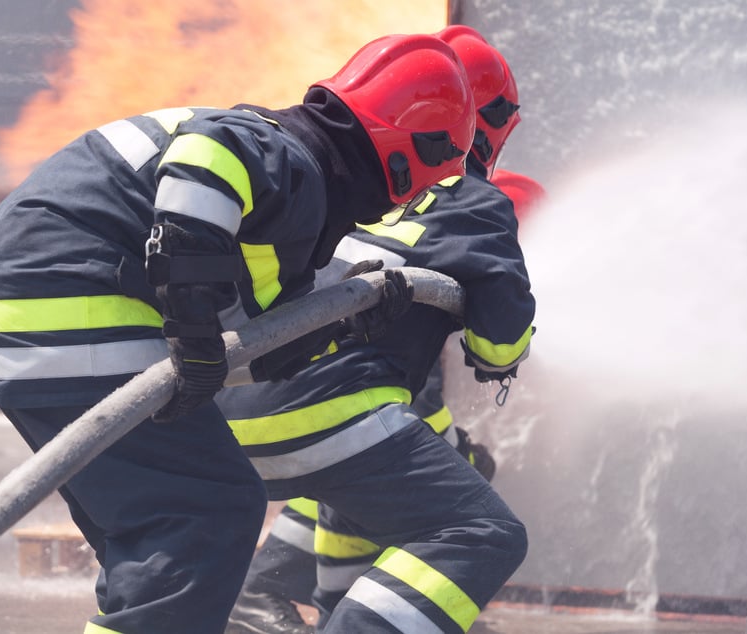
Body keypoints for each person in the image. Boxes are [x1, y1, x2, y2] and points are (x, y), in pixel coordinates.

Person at [0, 33, 476, 634]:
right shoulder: (286, 154)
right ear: (409, 157)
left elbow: (258, 342)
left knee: (160, 546)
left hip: (23, 301)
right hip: (62, 293)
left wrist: (347, 320)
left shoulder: (285, 192)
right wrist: (192, 321)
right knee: (206, 512)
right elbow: (211, 153)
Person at [218, 25, 534, 634]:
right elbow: (498, 346)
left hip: (231, 402)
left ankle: (340, 610)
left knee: (361, 474)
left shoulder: (362, 178)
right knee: (485, 531)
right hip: (321, 408)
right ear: (485, 122)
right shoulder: (473, 202)